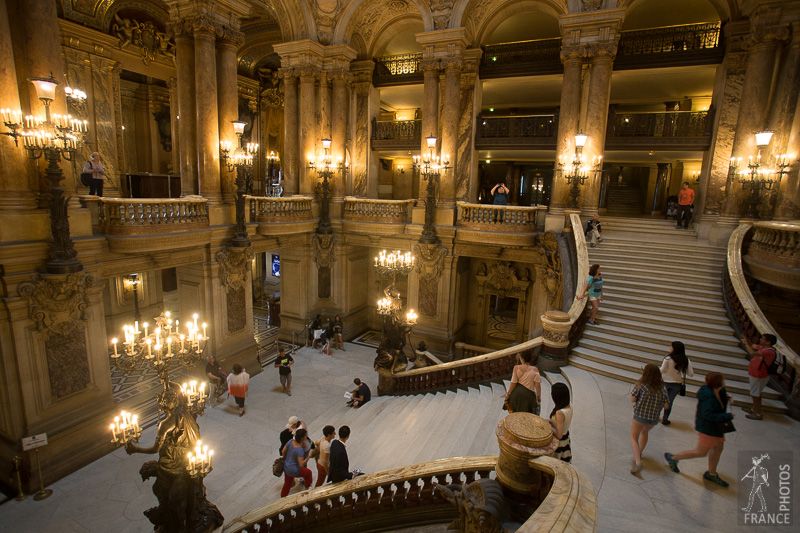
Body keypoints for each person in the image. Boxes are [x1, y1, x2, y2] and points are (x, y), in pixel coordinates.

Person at [665, 372, 734, 487]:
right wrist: (728, 416)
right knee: (701, 452)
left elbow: (718, 403)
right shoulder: (708, 396)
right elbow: (708, 415)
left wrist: (726, 398)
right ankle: (673, 457)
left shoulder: (719, 391)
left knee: (718, 447)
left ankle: (711, 473)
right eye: (723, 379)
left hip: (716, 427)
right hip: (708, 428)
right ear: (718, 382)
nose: (724, 381)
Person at [630, 364, 669, 474]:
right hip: (653, 419)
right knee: (644, 432)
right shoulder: (662, 388)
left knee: (634, 437)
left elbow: (632, 399)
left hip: (640, 416)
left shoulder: (641, 385)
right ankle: (640, 452)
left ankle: (638, 462)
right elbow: (666, 406)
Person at [741, 333, 777, 421]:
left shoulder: (768, 351)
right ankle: (754, 409)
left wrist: (745, 343)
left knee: (755, 394)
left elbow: (752, 352)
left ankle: (757, 413)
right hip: (756, 373)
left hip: (759, 375)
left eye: (763, 339)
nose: (760, 339)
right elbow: (752, 345)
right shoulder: (762, 347)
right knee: (756, 393)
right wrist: (747, 340)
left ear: (768, 342)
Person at [660, 341, 695, 425]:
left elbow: (662, 370)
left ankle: (655, 415)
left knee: (660, 399)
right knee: (669, 402)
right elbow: (691, 374)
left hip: (665, 382)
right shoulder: (686, 360)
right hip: (677, 384)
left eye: (671, 347)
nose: (670, 348)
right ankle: (665, 418)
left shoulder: (668, 358)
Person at [503, 350, 542, 414]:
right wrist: (539, 396)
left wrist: (508, 393)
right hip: (528, 396)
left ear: (521, 359)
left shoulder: (516, 368)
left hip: (516, 394)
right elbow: (537, 385)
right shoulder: (535, 369)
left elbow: (513, 382)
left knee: (514, 414)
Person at [280, 428, 312, 497]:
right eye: (305, 436)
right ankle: (307, 488)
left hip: (286, 466)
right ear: (302, 438)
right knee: (309, 473)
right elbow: (301, 464)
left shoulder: (291, 441)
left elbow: (283, 451)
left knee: (287, 484)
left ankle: (282, 497)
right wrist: (309, 456)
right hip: (294, 470)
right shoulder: (299, 450)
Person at [549, 383, 573, 463]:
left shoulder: (560, 413)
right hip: (566, 438)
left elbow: (559, 435)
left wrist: (548, 425)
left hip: (559, 444)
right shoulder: (570, 405)